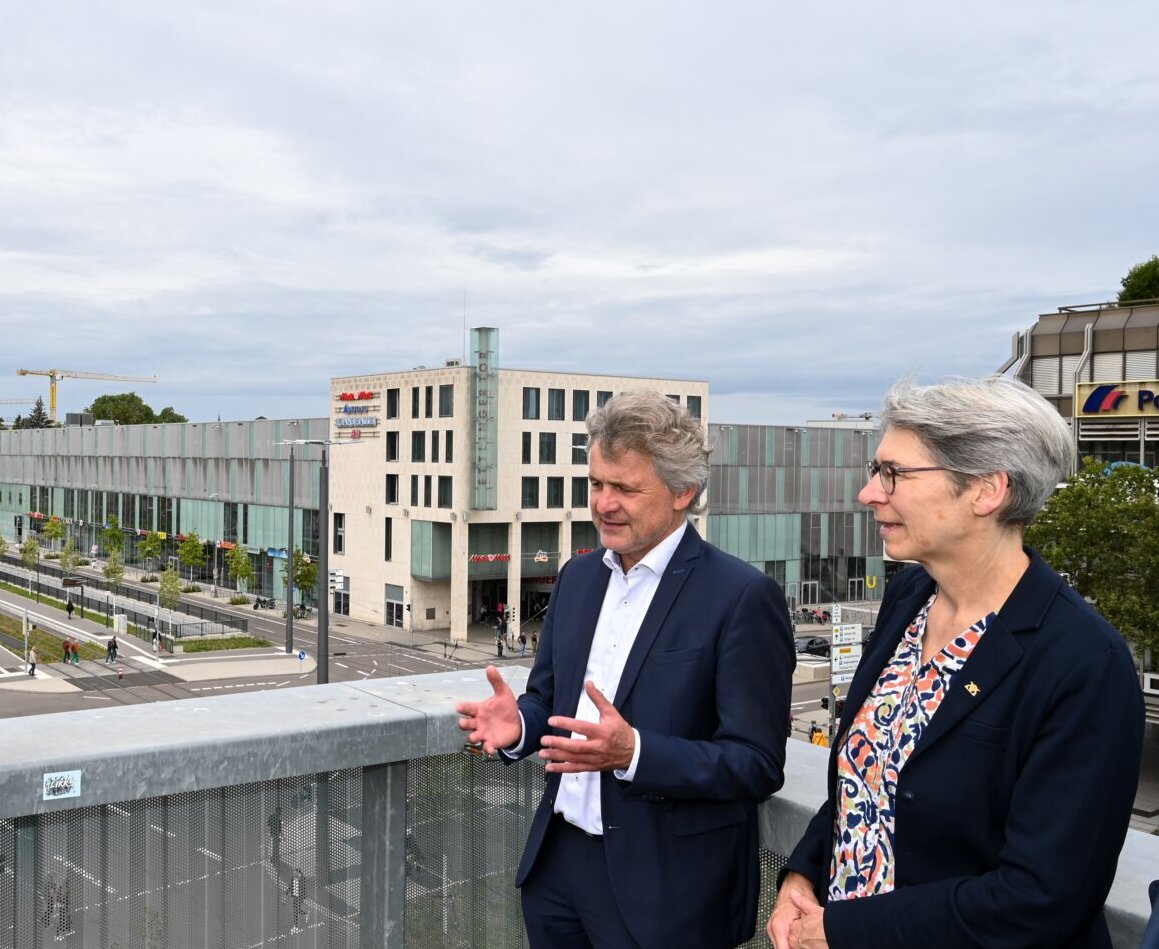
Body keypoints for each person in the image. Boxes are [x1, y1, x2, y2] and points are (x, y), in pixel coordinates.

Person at [768, 377, 1144, 949]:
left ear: (987, 490)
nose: (870, 493)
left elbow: (1043, 897)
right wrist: (803, 870)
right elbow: (869, 778)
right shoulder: (908, 597)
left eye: (893, 473)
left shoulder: (1084, 662)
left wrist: (841, 930)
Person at [457, 389, 795, 949]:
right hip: (558, 868)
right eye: (596, 484)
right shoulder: (579, 577)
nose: (604, 504)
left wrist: (634, 753)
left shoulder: (741, 596)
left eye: (626, 489)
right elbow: (550, 704)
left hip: (668, 895)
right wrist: (522, 726)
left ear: (683, 492)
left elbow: (756, 764)